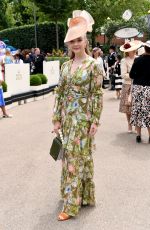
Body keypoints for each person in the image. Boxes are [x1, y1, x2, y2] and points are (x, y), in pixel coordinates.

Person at [52, 10, 103, 221]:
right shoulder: (65, 66)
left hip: (83, 120)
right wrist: (56, 118)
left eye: (79, 39)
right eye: (72, 40)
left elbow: (97, 94)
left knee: (75, 158)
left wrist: (95, 121)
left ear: (85, 40)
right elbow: (60, 92)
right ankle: (82, 196)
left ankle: (71, 206)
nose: (75, 44)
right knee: (70, 158)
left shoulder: (94, 65)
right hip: (66, 119)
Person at [119, 40, 142, 133]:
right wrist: (134, 75)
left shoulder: (139, 58)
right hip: (127, 85)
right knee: (127, 107)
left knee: (136, 107)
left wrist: (134, 74)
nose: (132, 50)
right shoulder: (124, 60)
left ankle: (137, 125)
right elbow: (123, 74)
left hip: (137, 85)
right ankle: (129, 124)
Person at [130, 41, 150, 143]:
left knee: (138, 111)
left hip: (138, 88)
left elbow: (131, 75)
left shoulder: (137, 60)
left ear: (145, 48)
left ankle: (138, 135)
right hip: (149, 89)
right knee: (148, 112)